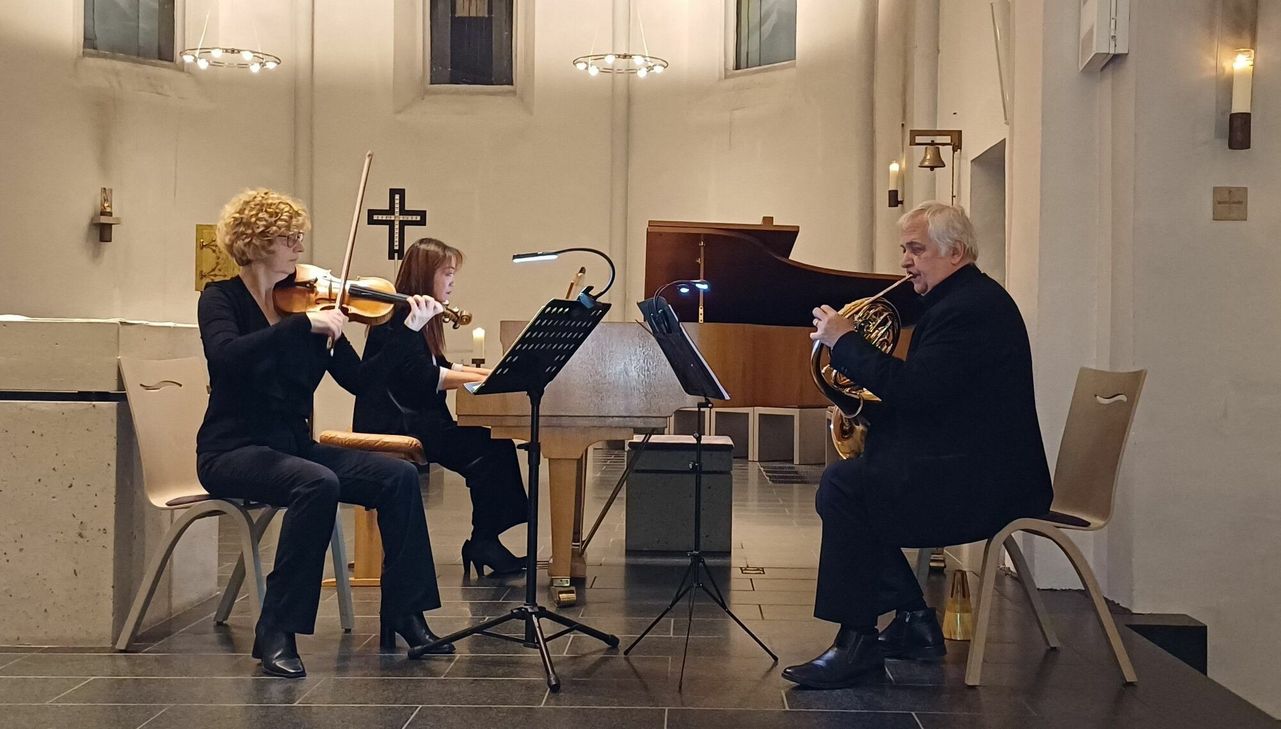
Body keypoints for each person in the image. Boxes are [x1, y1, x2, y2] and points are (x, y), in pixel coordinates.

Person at [782, 201, 1053, 690]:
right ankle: (912, 620)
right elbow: (933, 400)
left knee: (846, 487)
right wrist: (859, 410)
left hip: (987, 484)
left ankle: (859, 642)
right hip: (968, 461)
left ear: (956, 253)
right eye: (904, 249)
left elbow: (915, 392)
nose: (905, 261)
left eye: (916, 249)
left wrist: (845, 342)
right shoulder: (962, 302)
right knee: (854, 483)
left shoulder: (968, 310)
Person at [196, 189, 455, 679]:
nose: (298, 246)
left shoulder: (316, 305)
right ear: (254, 243)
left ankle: (405, 612)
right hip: (231, 451)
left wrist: (404, 333)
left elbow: (362, 382)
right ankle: (277, 630)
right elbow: (226, 356)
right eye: (286, 237)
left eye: (299, 236)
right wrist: (302, 328)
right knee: (317, 483)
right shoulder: (221, 299)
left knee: (398, 477)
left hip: (294, 448)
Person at [354, 237, 529, 577]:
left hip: (422, 418)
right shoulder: (397, 319)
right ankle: (484, 541)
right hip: (398, 422)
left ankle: (485, 538)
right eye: (447, 273)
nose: (452, 281)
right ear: (424, 275)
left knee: (495, 446)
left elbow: (443, 366)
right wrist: (483, 377)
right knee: (490, 448)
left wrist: (494, 373)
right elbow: (422, 377)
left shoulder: (424, 318)